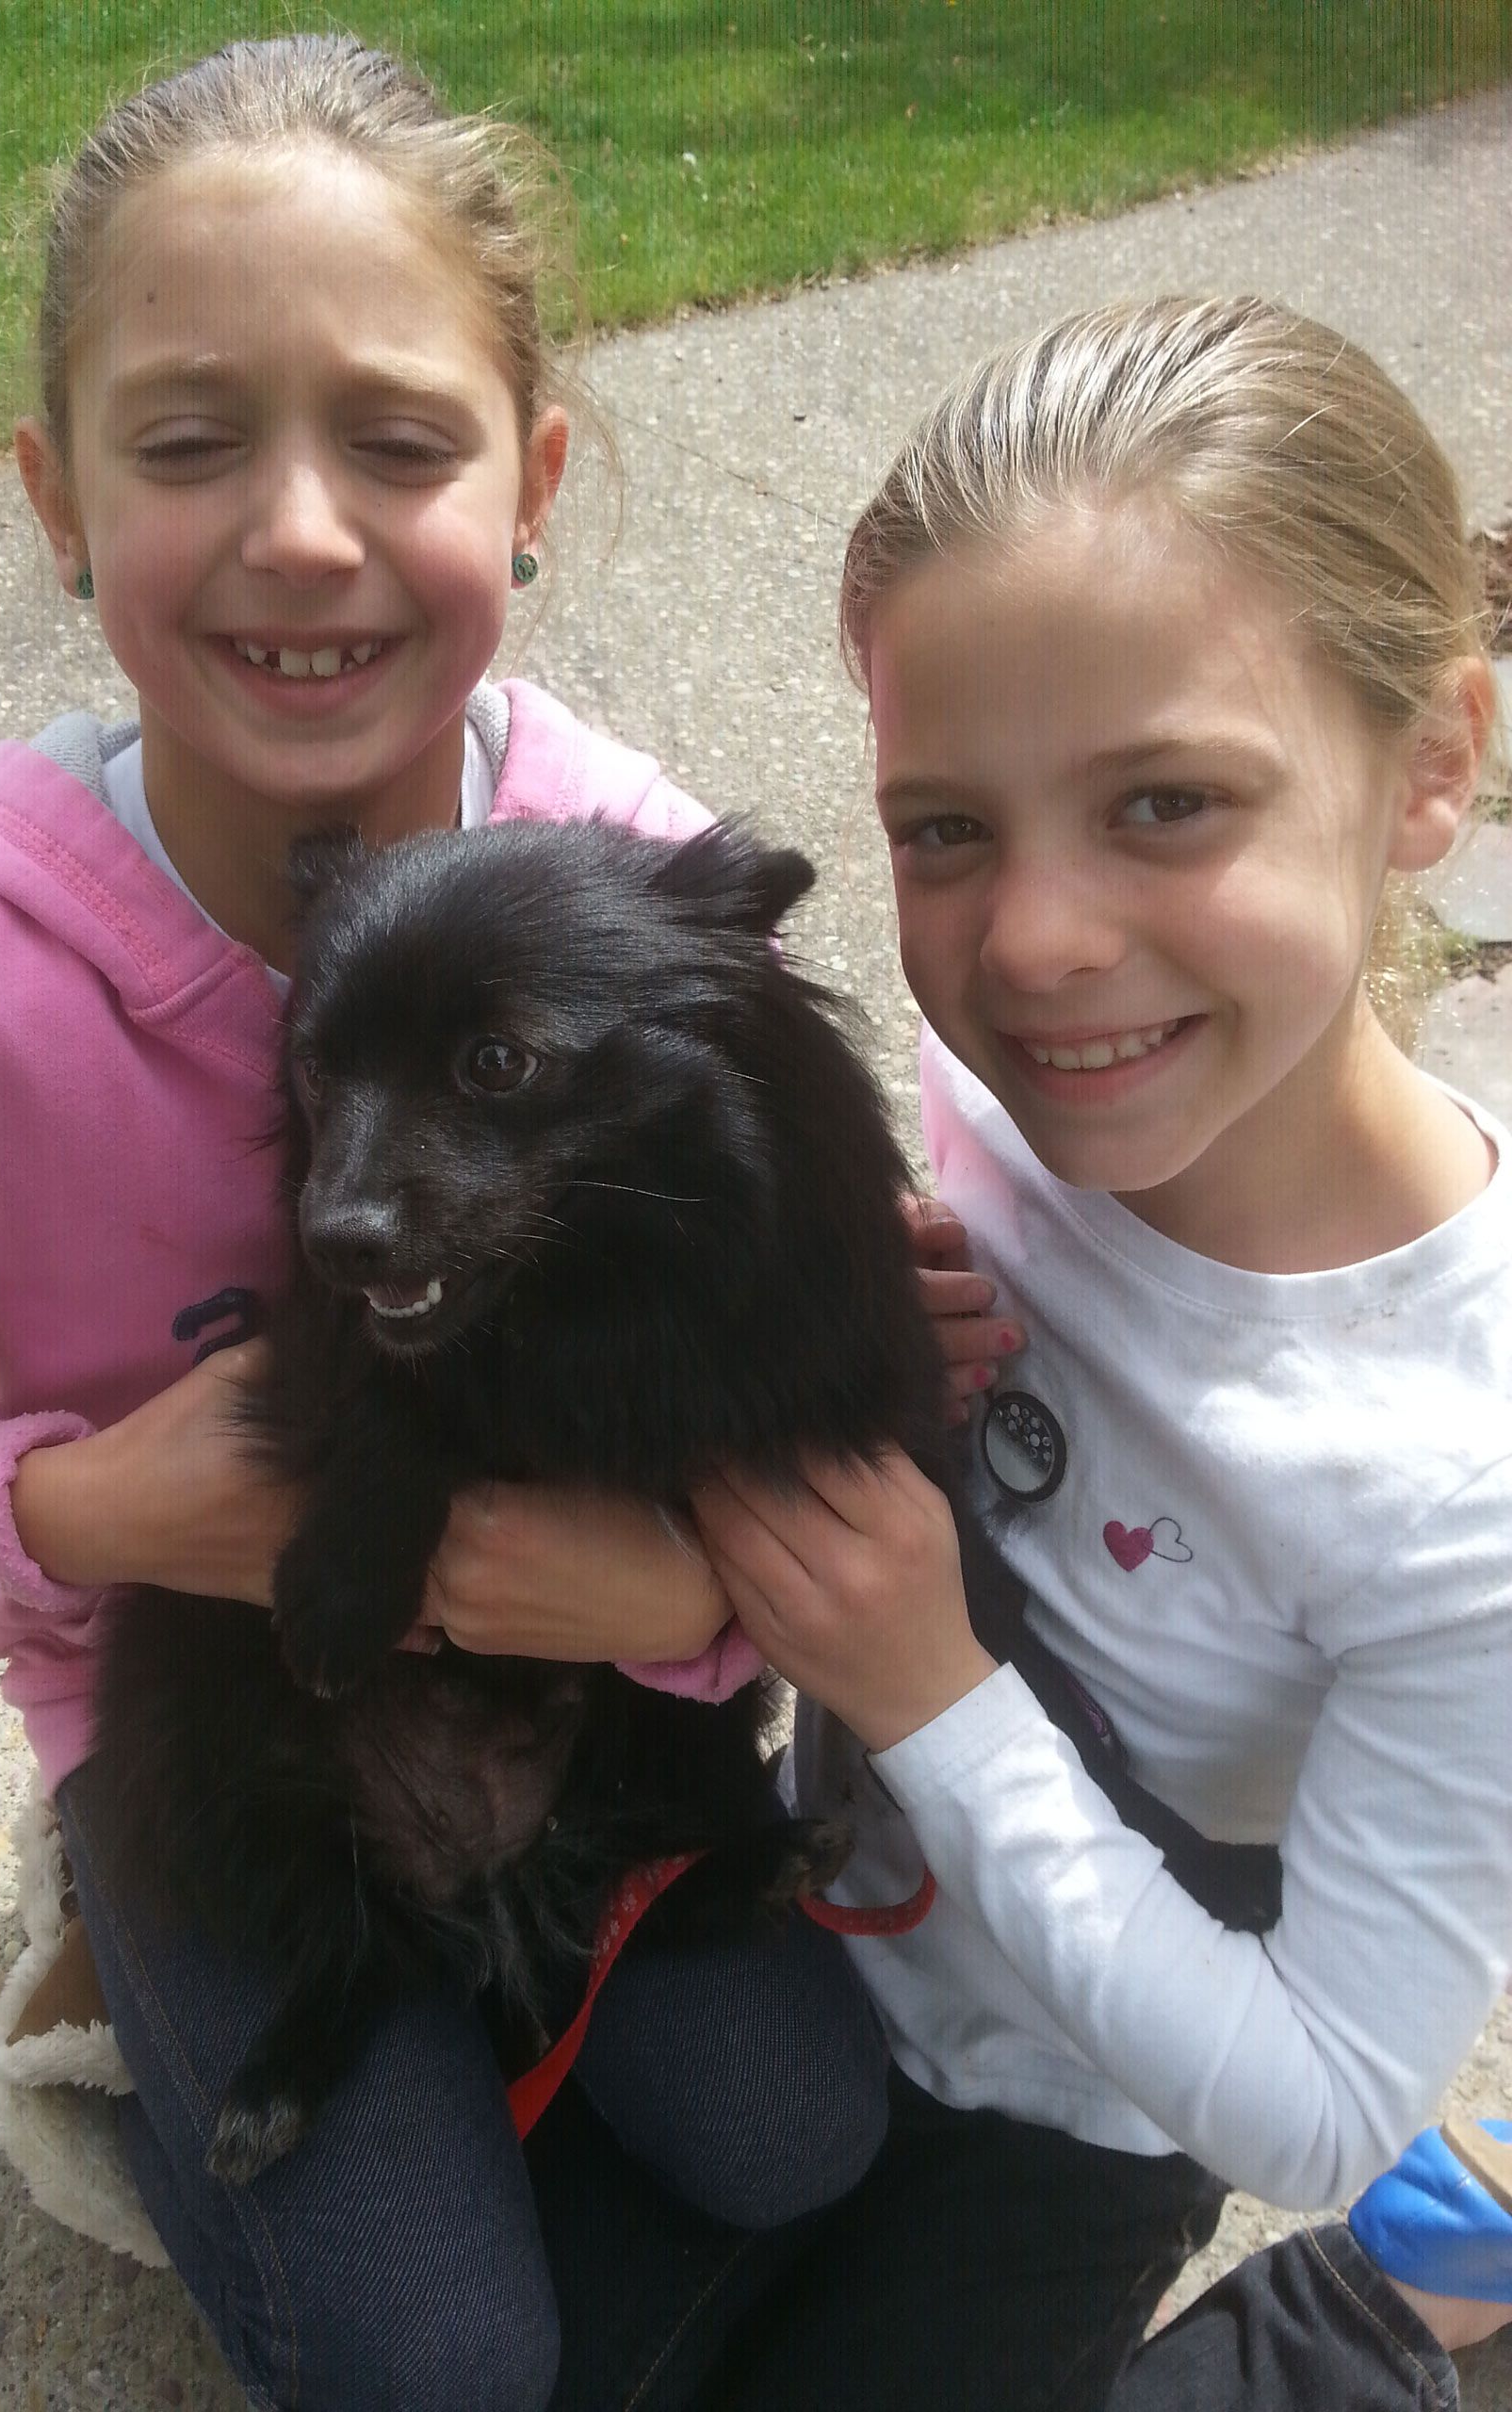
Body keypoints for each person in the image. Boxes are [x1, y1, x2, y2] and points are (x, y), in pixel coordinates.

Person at [0, 38, 890, 2412]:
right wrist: (53, 1500)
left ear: (533, 480)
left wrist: (693, 1605)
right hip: (217, 1700)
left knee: (804, 2131)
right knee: (447, 2356)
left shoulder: (629, 878)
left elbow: (813, 1275)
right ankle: (119, 1958)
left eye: (401, 438)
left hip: (599, 1653)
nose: (306, 534)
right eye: (185, 440)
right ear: (52, 496)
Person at [678, 295, 1511, 2409]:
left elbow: (1320, 2094)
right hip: (804, 1942)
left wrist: (926, 1692)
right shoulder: (986, 1109)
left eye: (1164, 803)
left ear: (1432, 764)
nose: (1029, 941)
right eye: (944, 827)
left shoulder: (1461, 1474)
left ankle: (1396, 2299)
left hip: (1078, 2119)